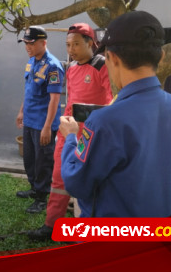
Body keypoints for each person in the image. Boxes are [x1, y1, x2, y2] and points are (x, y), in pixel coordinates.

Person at [60, 11, 171, 218]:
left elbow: (76, 183)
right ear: (161, 56)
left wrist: (70, 137)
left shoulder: (104, 121)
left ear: (111, 58)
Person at [28, 23, 113, 240]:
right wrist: (62, 128)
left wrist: (90, 119)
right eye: (67, 44)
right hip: (68, 134)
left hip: (90, 136)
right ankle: (51, 224)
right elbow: (70, 101)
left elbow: (112, 102)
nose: (71, 49)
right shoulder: (72, 67)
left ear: (90, 43)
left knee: (90, 181)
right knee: (59, 178)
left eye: (76, 44)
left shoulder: (102, 65)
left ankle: (87, 229)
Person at [15, 26, 63, 214]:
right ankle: (34, 188)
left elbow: (55, 99)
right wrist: (21, 112)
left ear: (44, 42)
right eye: (26, 43)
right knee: (30, 159)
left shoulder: (53, 66)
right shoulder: (31, 62)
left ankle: (42, 198)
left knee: (43, 161)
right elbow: (28, 91)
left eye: (31, 43)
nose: (28, 46)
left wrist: (47, 126)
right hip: (30, 120)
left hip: (44, 123)